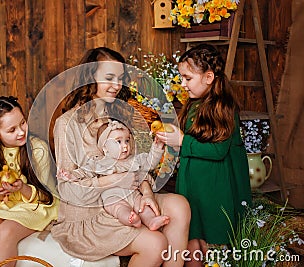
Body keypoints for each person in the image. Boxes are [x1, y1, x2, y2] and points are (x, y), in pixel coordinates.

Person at [51, 47, 190, 267]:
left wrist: (146, 194)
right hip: (91, 213)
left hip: (129, 196)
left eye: (120, 79)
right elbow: (68, 190)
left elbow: (136, 164)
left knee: (179, 205)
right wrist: (112, 181)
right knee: (155, 244)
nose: (117, 86)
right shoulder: (67, 124)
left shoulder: (120, 115)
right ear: (89, 77)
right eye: (109, 78)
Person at [155, 44, 252, 266]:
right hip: (193, 184)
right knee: (192, 239)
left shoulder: (223, 107)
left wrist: (182, 142)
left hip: (214, 187)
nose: (182, 84)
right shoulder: (194, 103)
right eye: (181, 78)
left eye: (187, 78)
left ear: (209, 77)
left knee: (211, 241)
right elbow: (192, 139)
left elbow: (218, 151)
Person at [0, 96, 59, 267]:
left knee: (5, 232)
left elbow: (46, 196)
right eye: (12, 130)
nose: (21, 131)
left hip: (37, 205)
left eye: (23, 123)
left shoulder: (37, 149)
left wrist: (23, 188)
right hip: (7, 205)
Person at [58, 119, 170, 230]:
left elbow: (149, 163)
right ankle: (130, 219)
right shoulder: (100, 162)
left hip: (133, 194)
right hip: (112, 197)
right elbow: (84, 172)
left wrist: (157, 147)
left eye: (127, 141)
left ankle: (151, 221)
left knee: (142, 206)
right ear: (105, 148)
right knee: (119, 209)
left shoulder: (133, 160)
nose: (125, 146)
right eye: (118, 142)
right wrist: (71, 175)